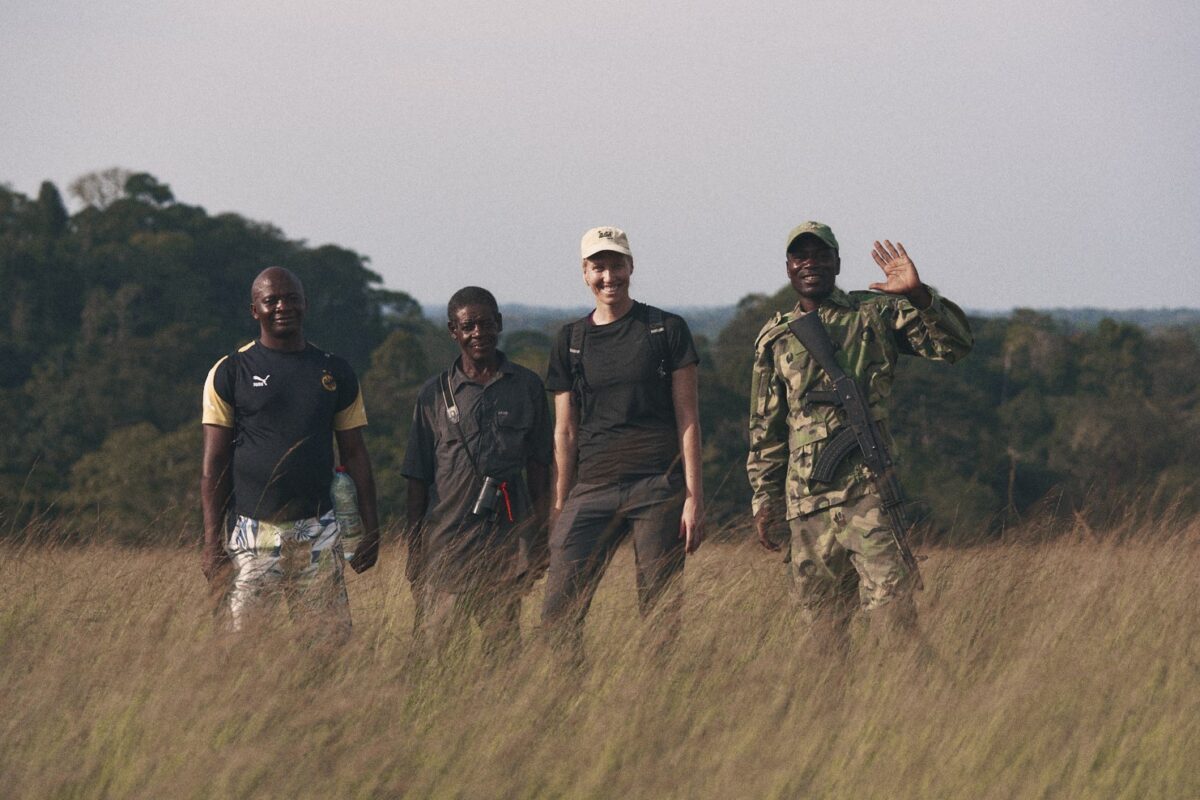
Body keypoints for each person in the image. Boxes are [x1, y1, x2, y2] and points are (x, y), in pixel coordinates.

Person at [747, 221, 973, 651]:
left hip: (869, 494)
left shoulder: (875, 313)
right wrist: (765, 500)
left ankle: (917, 709)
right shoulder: (775, 338)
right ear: (789, 267)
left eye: (820, 254)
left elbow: (955, 346)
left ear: (837, 262)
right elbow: (765, 430)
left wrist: (919, 295)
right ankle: (830, 715)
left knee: (895, 622)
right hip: (806, 506)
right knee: (821, 635)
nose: (810, 262)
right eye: (801, 256)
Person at [541, 226, 704, 662]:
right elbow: (565, 431)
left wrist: (693, 497)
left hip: (656, 485)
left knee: (659, 615)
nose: (608, 276)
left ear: (631, 266)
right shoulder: (570, 341)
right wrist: (560, 505)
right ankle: (564, 705)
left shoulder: (665, 330)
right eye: (599, 266)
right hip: (591, 486)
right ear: (584, 273)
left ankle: (653, 709)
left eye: (616, 264)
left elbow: (688, 417)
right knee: (557, 611)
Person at [200, 266, 380, 643]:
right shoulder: (230, 372)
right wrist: (211, 541)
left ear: (306, 305)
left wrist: (369, 529)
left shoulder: (334, 371)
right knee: (242, 646)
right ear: (255, 310)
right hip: (251, 532)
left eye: (292, 299)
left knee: (327, 646)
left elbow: (356, 454)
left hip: (318, 530)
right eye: (272, 300)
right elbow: (214, 464)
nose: (283, 307)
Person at [401, 286, 552, 660]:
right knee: (437, 653)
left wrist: (541, 537)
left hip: (503, 543)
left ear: (500, 324)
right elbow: (417, 476)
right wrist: (414, 549)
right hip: (445, 546)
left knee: (502, 651)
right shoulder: (433, 394)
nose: (479, 333)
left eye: (486, 324)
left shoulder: (527, 386)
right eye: (468, 326)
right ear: (453, 330)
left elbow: (540, 466)